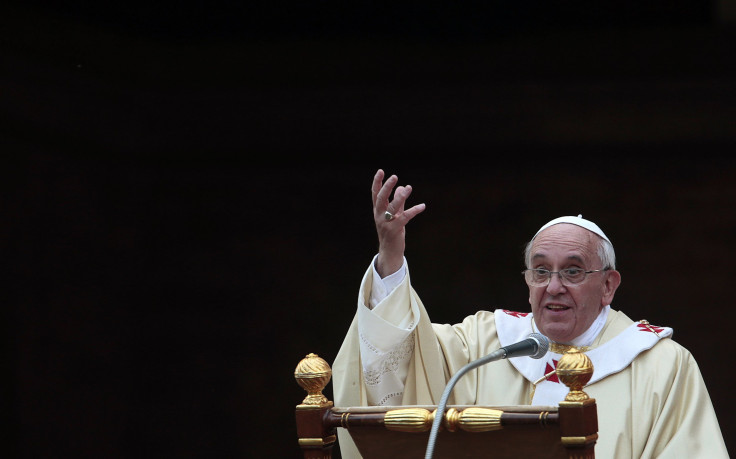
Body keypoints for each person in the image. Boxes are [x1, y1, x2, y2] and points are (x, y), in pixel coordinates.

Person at [332, 169, 729, 458]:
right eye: (541, 271)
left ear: (609, 285)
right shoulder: (483, 346)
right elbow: (402, 354)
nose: (553, 286)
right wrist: (391, 256)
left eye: (573, 271)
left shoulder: (662, 366)